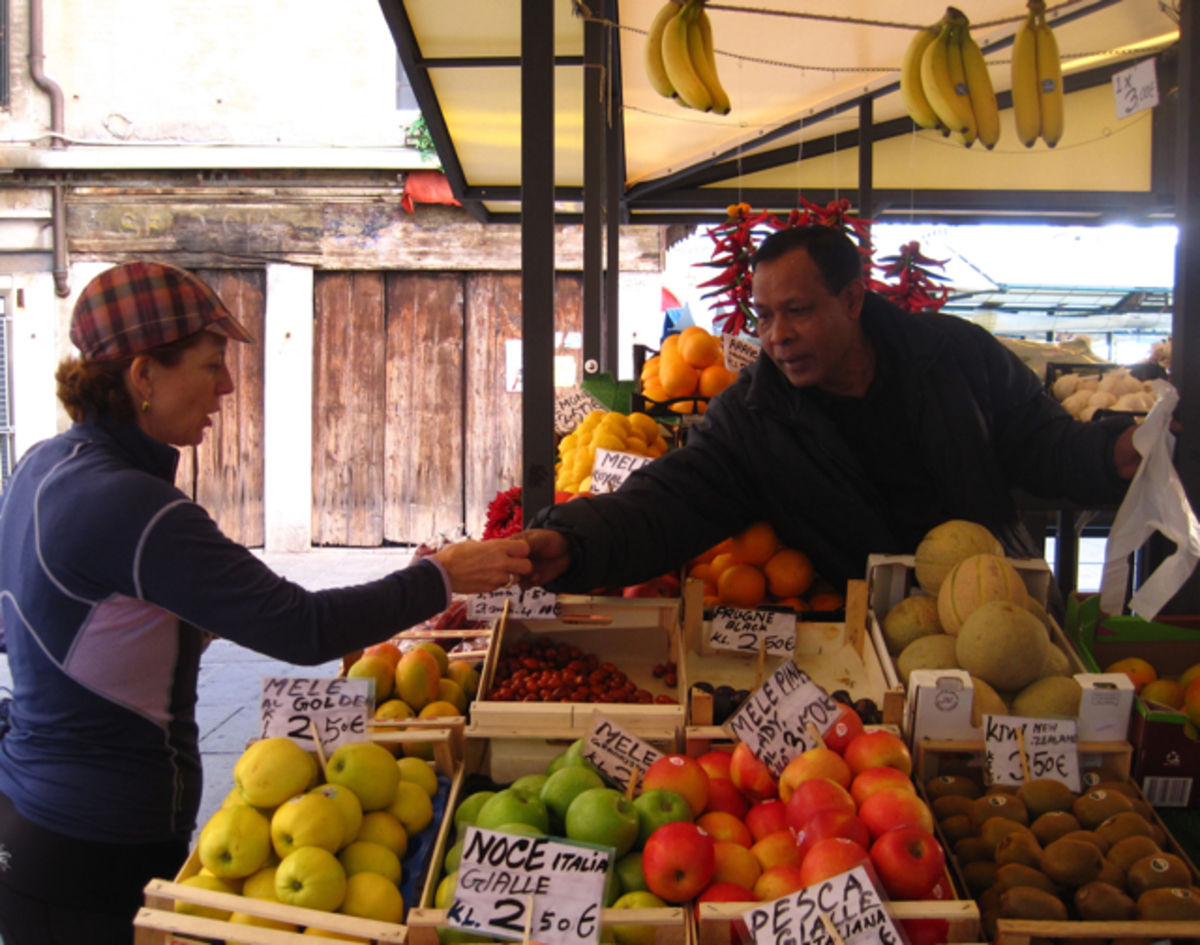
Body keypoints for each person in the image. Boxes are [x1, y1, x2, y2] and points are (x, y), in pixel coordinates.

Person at [0, 261, 530, 945]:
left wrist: (180, 626)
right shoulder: (135, 504)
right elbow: (304, 628)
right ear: (142, 377)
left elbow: (44, 623)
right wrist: (439, 576)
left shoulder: (44, 463)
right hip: (96, 844)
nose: (225, 385)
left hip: (32, 817)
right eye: (211, 363)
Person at [520, 225, 1141, 595]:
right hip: (867, 634)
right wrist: (572, 541)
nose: (777, 336)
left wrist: (1117, 452)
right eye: (763, 317)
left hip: (992, 599)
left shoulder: (954, 356)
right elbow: (668, 503)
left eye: (798, 311)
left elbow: (1041, 442)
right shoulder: (751, 418)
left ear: (851, 300)